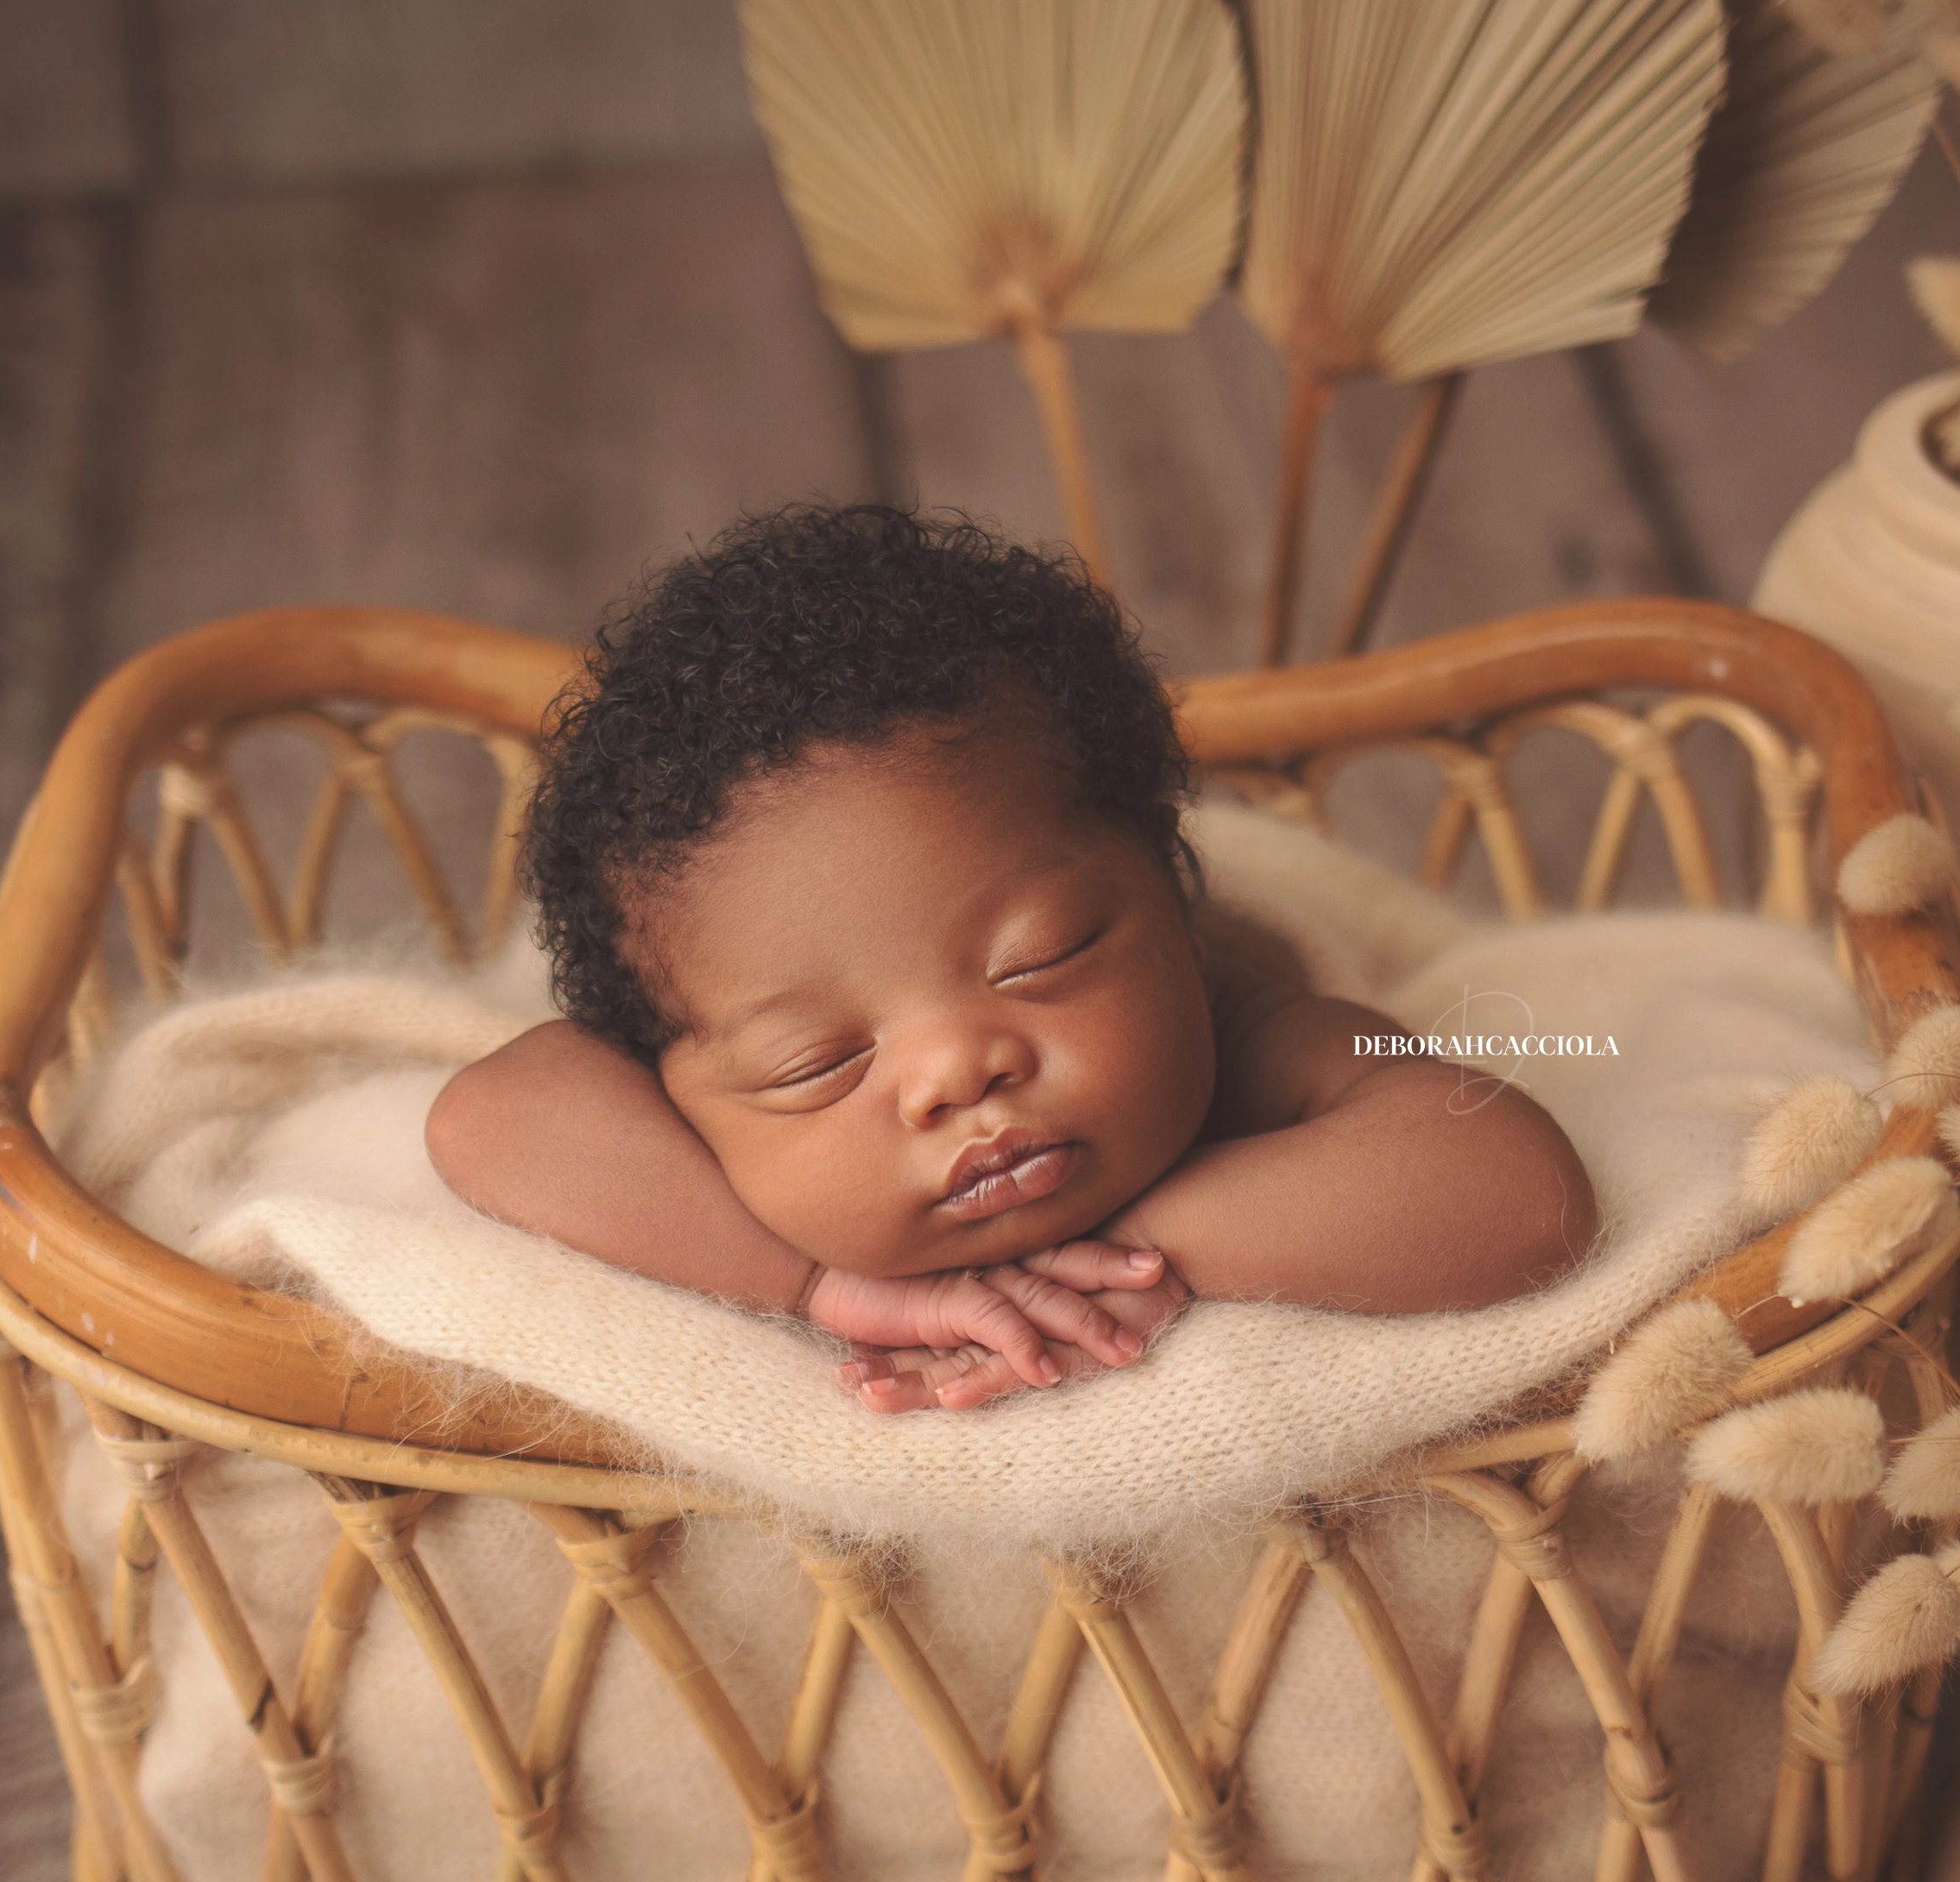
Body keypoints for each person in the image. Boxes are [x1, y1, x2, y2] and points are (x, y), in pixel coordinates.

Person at [425, 504, 1597, 1411]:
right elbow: (489, 1114)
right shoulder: (672, 1116)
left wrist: (1124, 1254)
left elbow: (1515, 1193)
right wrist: (829, 1287)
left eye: (1043, 957)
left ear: (1166, 888)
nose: (956, 1070)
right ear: (677, 1090)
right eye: (814, 1064)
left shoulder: (1241, 1024)